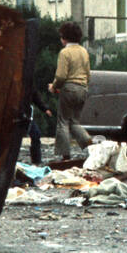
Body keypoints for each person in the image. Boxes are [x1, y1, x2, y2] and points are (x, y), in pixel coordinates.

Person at [49, 20, 93, 160]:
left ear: (65, 37)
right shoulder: (84, 51)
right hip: (83, 89)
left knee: (63, 121)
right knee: (75, 122)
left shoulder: (65, 52)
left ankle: (65, 155)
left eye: (61, 36)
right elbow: (88, 74)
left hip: (69, 88)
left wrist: (54, 86)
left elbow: (61, 76)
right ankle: (89, 144)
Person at [27, 86, 54, 164]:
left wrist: (45, 109)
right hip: (14, 115)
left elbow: (36, 98)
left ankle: (36, 161)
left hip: (27, 116)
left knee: (36, 134)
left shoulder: (29, 84)